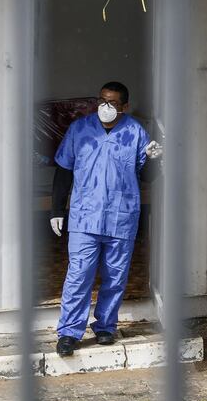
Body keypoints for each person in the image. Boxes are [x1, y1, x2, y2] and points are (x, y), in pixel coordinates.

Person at [50, 81, 163, 357]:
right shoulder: (80, 129)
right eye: (102, 100)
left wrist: (154, 160)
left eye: (112, 103)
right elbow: (64, 170)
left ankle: (106, 327)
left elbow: (147, 177)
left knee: (115, 276)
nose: (106, 107)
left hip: (121, 217)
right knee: (79, 275)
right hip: (84, 216)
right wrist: (56, 209)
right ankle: (69, 332)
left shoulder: (135, 132)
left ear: (124, 107)